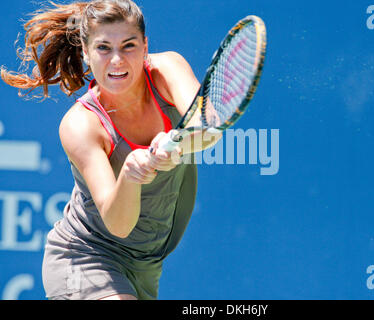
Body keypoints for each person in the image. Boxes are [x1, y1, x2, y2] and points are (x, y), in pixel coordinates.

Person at [1, 0, 221, 300]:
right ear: (86, 53)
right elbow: (118, 224)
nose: (116, 60)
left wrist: (178, 145)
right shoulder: (81, 125)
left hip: (146, 265)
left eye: (128, 45)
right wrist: (130, 175)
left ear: (145, 46)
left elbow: (206, 127)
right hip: (86, 257)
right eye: (103, 48)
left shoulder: (167, 68)